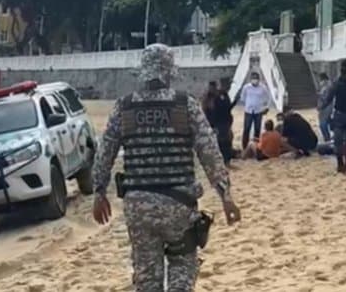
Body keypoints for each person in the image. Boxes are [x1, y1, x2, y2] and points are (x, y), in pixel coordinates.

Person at [91, 44, 241, 291]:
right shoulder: (185, 105)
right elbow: (209, 151)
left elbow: (104, 152)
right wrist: (225, 195)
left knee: (147, 279)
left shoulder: (124, 107)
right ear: (170, 71)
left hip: (138, 207)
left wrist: (99, 192)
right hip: (179, 205)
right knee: (182, 268)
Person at [238, 72, 270, 149]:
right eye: (253, 78)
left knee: (257, 129)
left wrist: (266, 107)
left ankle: (256, 147)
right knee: (246, 129)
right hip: (248, 111)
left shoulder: (263, 88)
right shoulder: (246, 87)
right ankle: (245, 147)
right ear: (250, 79)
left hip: (258, 111)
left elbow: (268, 98)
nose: (254, 80)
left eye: (256, 78)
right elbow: (243, 97)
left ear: (259, 79)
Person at [214, 77, 238, 166]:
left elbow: (227, 108)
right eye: (229, 85)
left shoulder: (225, 95)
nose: (230, 87)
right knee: (224, 141)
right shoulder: (219, 96)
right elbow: (221, 110)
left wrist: (234, 102)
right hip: (222, 122)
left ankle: (227, 159)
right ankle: (225, 159)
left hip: (226, 122)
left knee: (228, 139)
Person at [317, 73, 333, 143]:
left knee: (322, 124)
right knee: (329, 121)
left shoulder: (327, 86)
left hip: (325, 107)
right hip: (326, 107)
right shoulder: (326, 86)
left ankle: (327, 138)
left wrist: (321, 106)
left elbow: (326, 98)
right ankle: (330, 136)